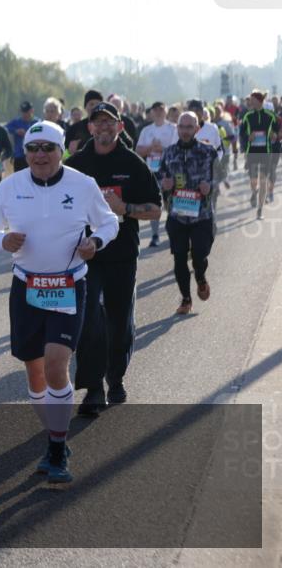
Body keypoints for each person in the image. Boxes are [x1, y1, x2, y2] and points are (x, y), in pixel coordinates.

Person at [0, 121, 119, 484]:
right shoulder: (10, 187)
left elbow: (109, 223)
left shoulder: (82, 185)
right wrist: (0, 242)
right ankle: (56, 436)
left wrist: (95, 244)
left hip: (69, 286)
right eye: (33, 148)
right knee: (36, 374)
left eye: (48, 148)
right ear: (25, 153)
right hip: (26, 288)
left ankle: (56, 448)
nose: (40, 155)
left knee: (57, 364)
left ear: (61, 151)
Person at [66, 103, 162, 416]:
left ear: (119, 127)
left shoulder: (132, 164)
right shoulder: (77, 164)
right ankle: (93, 389)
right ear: (90, 128)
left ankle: (116, 375)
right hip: (86, 255)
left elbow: (155, 209)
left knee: (120, 321)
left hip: (121, 253)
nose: (104, 128)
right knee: (88, 316)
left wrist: (125, 209)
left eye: (110, 123)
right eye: (98, 123)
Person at [158, 112, 218, 315]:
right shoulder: (169, 153)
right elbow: (160, 177)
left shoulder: (208, 152)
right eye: (182, 127)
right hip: (177, 214)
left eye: (189, 127)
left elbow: (221, 175)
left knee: (200, 254)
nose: (185, 131)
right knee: (179, 258)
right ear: (177, 128)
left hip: (202, 214)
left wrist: (210, 185)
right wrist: (164, 184)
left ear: (197, 129)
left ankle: (200, 277)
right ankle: (186, 298)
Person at [135, 101, 179, 247]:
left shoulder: (173, 128)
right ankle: (155, 235)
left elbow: (178, 150)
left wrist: (162, 149)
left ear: (166, 111)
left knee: (169, 203)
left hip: (169, 171)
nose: (159, 112)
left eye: (161, 109)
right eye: (156, 110)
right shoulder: (146, 130)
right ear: (151, 112)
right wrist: (151, 148)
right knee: (154, 203)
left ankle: (171, 229)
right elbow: (138, 151)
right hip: (152, 172)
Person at [238, 89, 278, 219]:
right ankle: (254, 192)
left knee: (263, 180)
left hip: (266, 152)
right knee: (254, 180)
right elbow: (242, 133)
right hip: (252, 152)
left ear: (259, 101)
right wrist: (248, 137)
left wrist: (273, 135)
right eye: (250, 100)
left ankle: (260, 210)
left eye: (253, 100)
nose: (251, 102)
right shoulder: (247, 116)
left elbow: (277, 133)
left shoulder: (270, 115)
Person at [6, 101, 39, 171]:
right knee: (19, 178)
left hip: (34, 155)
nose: (25, 114)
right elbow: (5, 128)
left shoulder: (37, 122)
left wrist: (28, 133)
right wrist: (16, 131)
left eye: (27, 111)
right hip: (19, 155)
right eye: (23, 112)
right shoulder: (16, 121)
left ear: (32, 110)